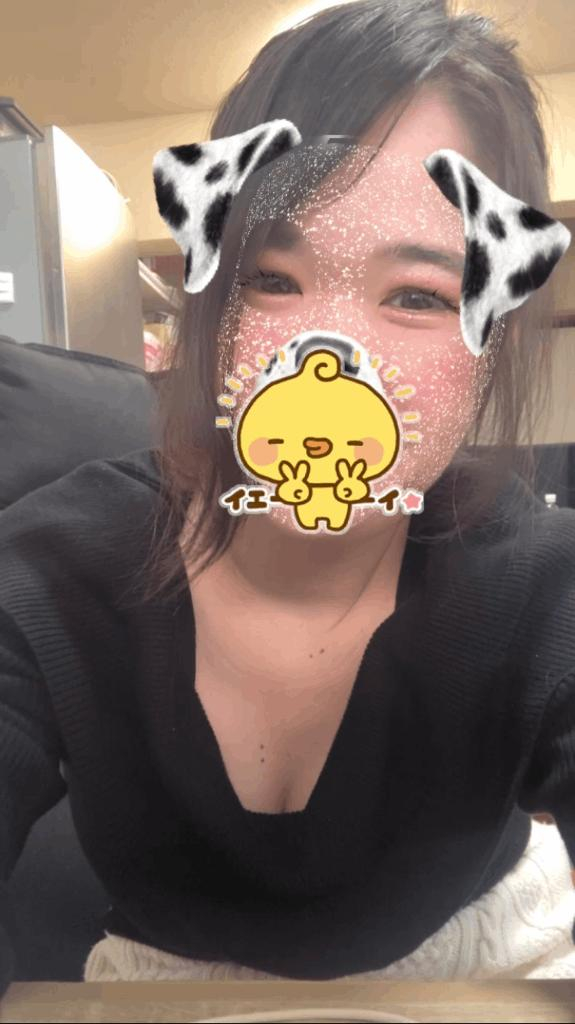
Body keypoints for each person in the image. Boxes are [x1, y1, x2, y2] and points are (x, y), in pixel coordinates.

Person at [1, 0, 575, 992]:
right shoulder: (52, 568)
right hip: (161, 981)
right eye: (272, 278)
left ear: (492, 331)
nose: (332, 357)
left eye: (416, 295)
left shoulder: (540, 587)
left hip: (489, 960)